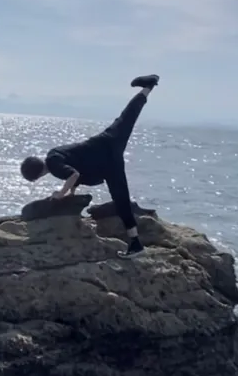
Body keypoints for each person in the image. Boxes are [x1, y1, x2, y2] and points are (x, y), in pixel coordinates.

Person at [20, 74, 159, 259]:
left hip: (107, 161)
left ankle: (135, 243)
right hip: (108, 143)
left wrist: (61, 193)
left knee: (121, 201)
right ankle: (148, 87)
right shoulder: (53, 154)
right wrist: (71, 193)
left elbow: (74, 174)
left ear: (36, 176)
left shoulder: (53, 166)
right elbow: (75, 163)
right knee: (128, 116)